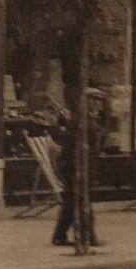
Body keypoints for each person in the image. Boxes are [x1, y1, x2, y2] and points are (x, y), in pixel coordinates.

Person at [51, 87, 106, 249]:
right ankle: (87, 236)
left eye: (98, 101)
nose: (96, 104)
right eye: (92, 100)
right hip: (74, 166)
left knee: (73, 201)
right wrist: (75, 169)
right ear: (85, 102)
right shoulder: (80, 121)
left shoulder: (93, 119)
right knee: (81, 200)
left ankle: (60, 236)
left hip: (86, 164)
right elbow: (70, 146)